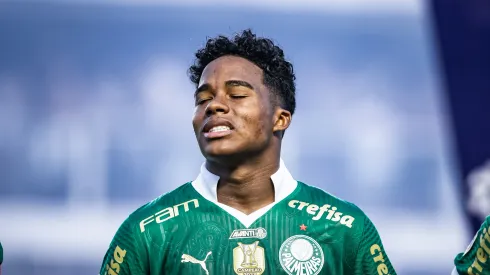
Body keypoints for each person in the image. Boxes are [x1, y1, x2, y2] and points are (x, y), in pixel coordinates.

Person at [99, 29, 396, 275]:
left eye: (237, 94)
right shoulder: (146, 232)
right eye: (202, 99)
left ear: (280, 119)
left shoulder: (345, 228)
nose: (213, 106)